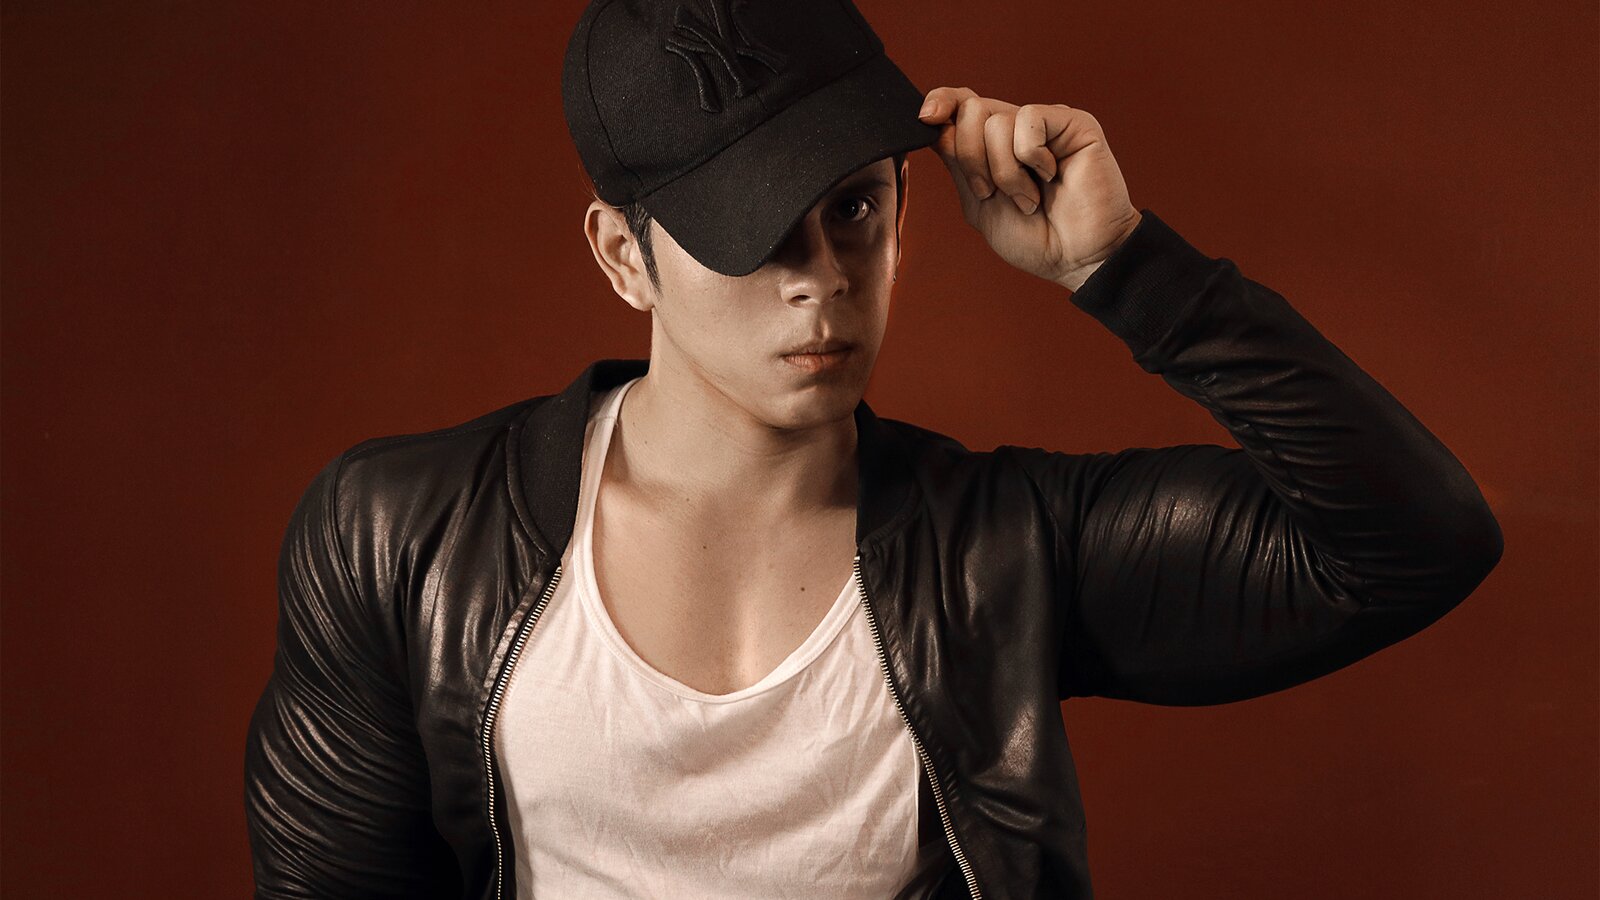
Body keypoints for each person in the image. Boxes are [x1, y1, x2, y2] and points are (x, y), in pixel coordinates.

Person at [243, 0, 1504, 897]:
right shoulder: (400, 535)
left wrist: (1124, 269)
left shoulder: (1003, 550)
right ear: (623, 256)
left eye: (852, 208)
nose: (823, 280)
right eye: (748, 234)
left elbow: (1416, 543)